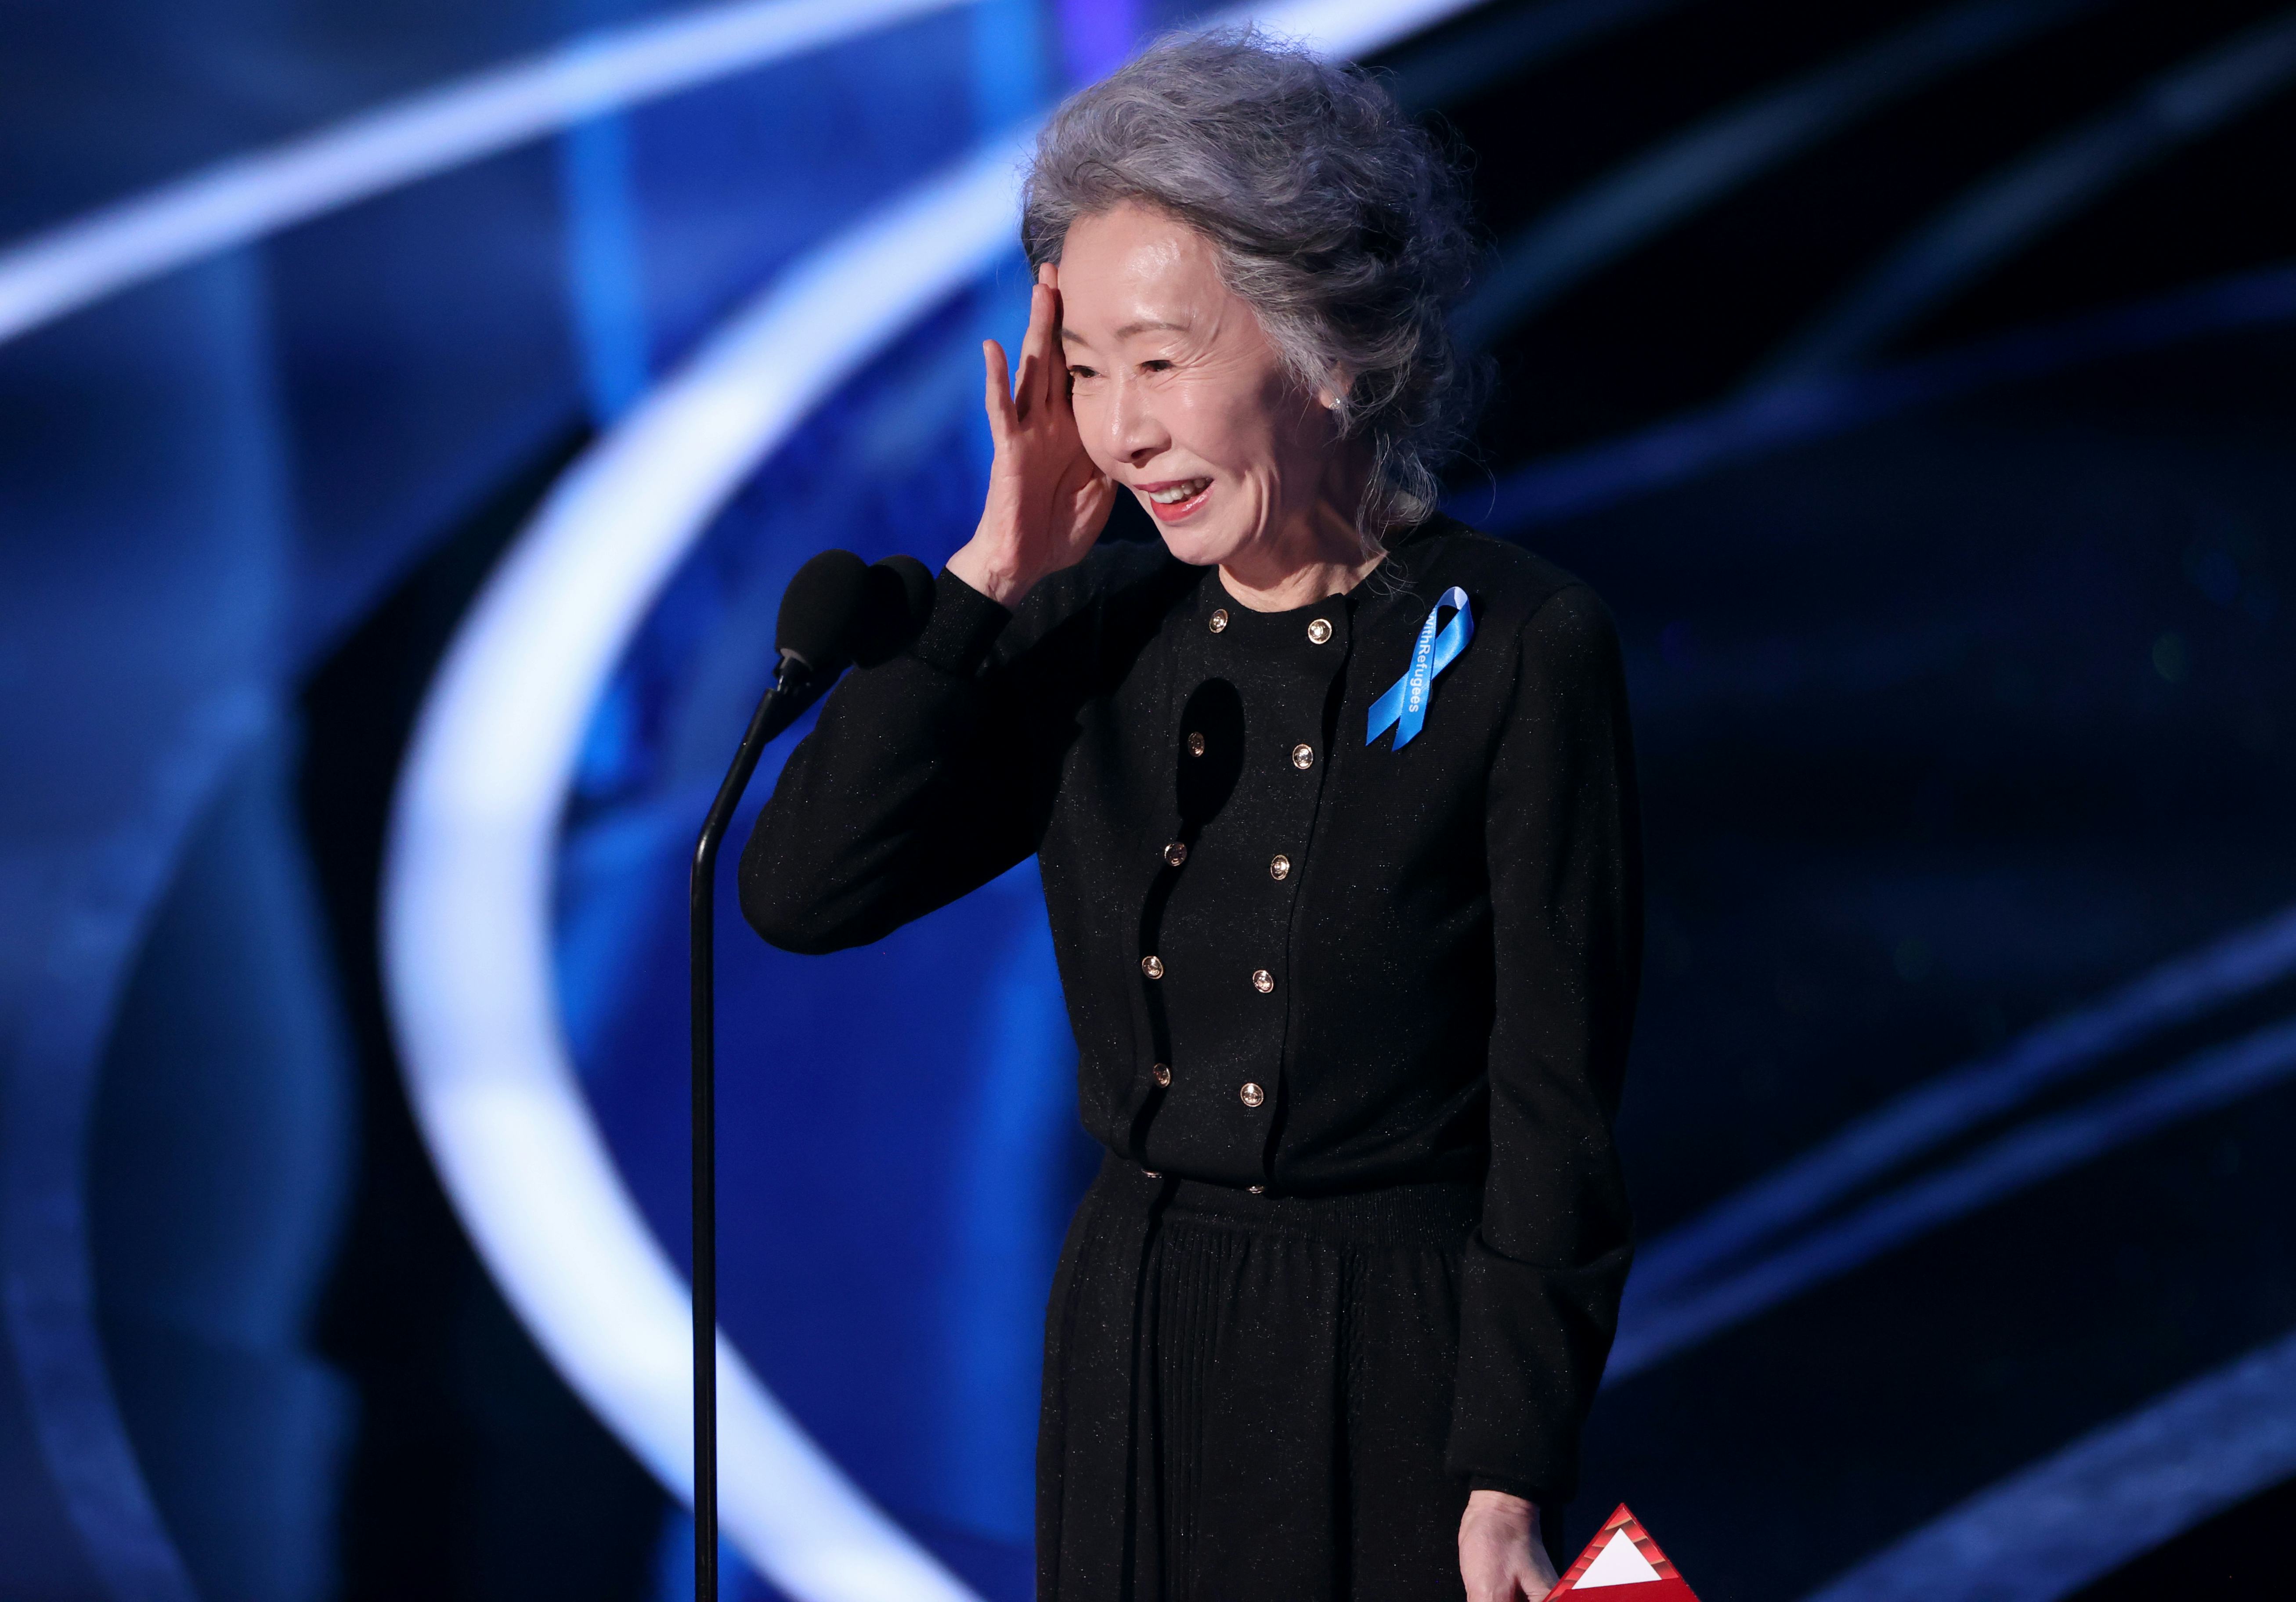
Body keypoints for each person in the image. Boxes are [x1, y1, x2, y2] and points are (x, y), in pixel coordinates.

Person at [742, 29, 1640, 1602]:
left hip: (1397, 1354)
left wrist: (1508, 1470)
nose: (1118, 429)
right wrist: (988, 581)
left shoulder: (1519, 645)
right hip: (1136, 1331)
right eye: (1084, 372)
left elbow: (1552, 1103)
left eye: (1158, 362)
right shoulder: (1094, 634)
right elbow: (802, 892)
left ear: (1329, 348)